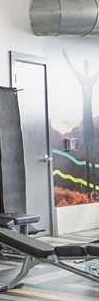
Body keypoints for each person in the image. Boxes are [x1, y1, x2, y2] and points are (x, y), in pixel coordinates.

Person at [63, 48, 99, 200]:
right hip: (86, 116)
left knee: (91, 155)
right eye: (83, 66)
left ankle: (93, 188)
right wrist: (67, 58)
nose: (85, 68)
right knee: (86, 155)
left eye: (86, 66)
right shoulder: (83, 80)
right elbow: (73, 70)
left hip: (89, 116)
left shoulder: (91, 80)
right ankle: (89, 188)